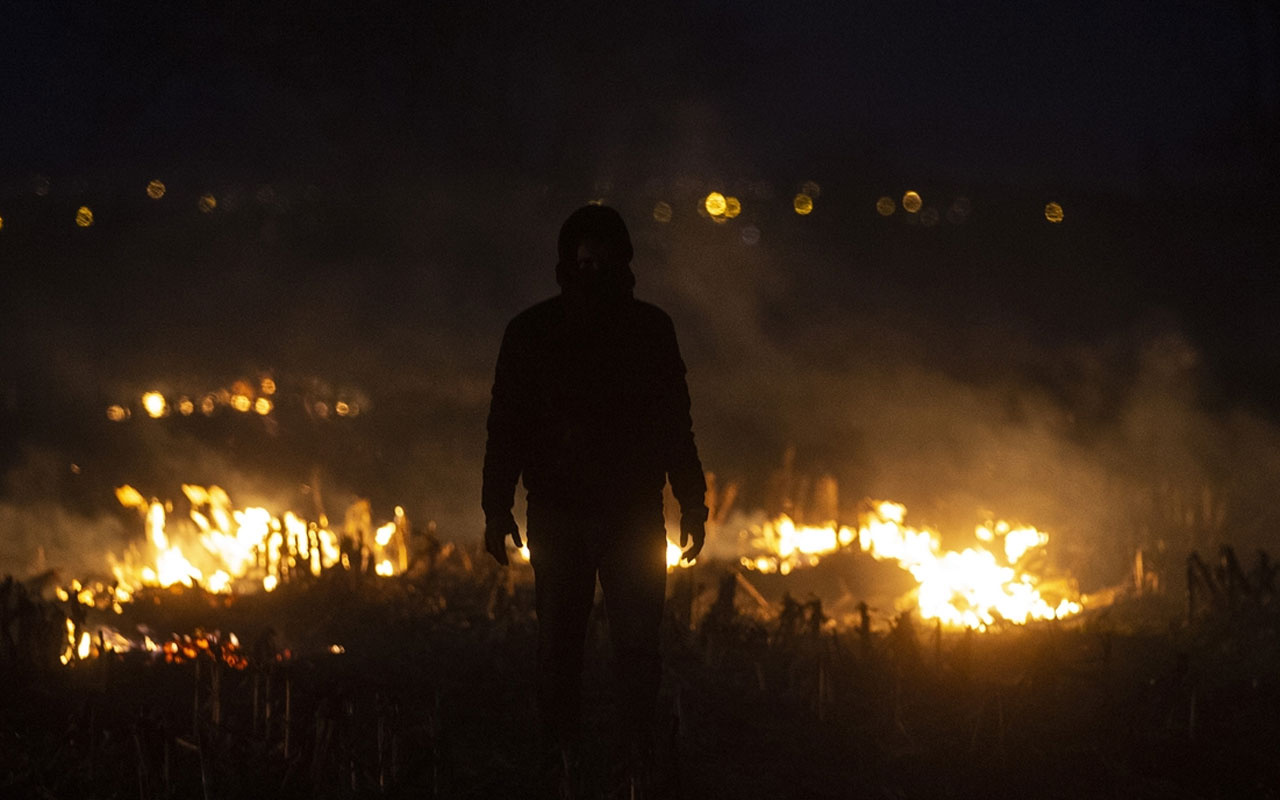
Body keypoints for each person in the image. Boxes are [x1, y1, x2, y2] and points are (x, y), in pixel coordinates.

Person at [482, 204, 708, 796]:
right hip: (557, 515)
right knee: (559, 648)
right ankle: (560, 760)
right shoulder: (531, 334)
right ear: (565, 266)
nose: (594, 272)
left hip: (633, 515)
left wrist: (693, 499)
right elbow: (506, 426)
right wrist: (494, 506)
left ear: (625, 265)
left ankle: (634, 758)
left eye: (605, 262)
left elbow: (673, 422)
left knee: (638, 649)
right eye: (584, 262)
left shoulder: (650, 332)